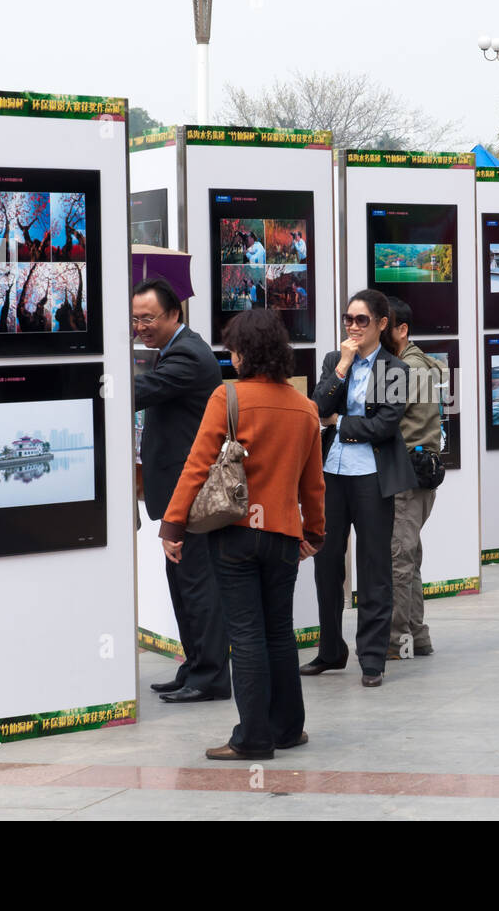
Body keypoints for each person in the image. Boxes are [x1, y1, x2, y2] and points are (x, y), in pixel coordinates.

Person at [159, 309, 326, 760]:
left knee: (246, 634)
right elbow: (313, 483)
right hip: (284, 536)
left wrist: (173, 525)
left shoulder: (227, 397)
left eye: (233, 348)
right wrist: (315, 531)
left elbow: (197, 465)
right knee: (279, 632)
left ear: (242, 353)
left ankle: (253, 738)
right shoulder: (305, 407)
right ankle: (288, 728)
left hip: (234, 532)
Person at [303, 289, 416, 688]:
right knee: (326, 562)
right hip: (331, 473)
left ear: (381, 324)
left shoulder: (395, 369)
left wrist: (340, 425)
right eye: (348, 319)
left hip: (372, 476)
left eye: (361, 320)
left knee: (373, 568)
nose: (352, 326)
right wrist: (342, 367)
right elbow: (317, 406)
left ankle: (371, 657)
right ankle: (330, 650)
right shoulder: (336, 360)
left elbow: (385, 425)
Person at [131, 279, 231, 703]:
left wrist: (99, 377)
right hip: (176, 491)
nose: (141, 326)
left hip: (191, 491)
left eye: (148, 318)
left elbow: (139, 393)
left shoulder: (188, 354)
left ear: (174, 314)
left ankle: (210, 676)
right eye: (135, 319)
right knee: (182, 581)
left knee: (197, 584)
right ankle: (193, 667)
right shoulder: (173, 349)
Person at [385, 297, 443, 660]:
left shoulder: (404, 369)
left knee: (399, 558)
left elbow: (382, 417)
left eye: (381, 325)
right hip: (419, 471)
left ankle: (395, 639)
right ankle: (416, 634)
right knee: (410, 554)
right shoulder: (424, 364)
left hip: (406, 473)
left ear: (401, 330)